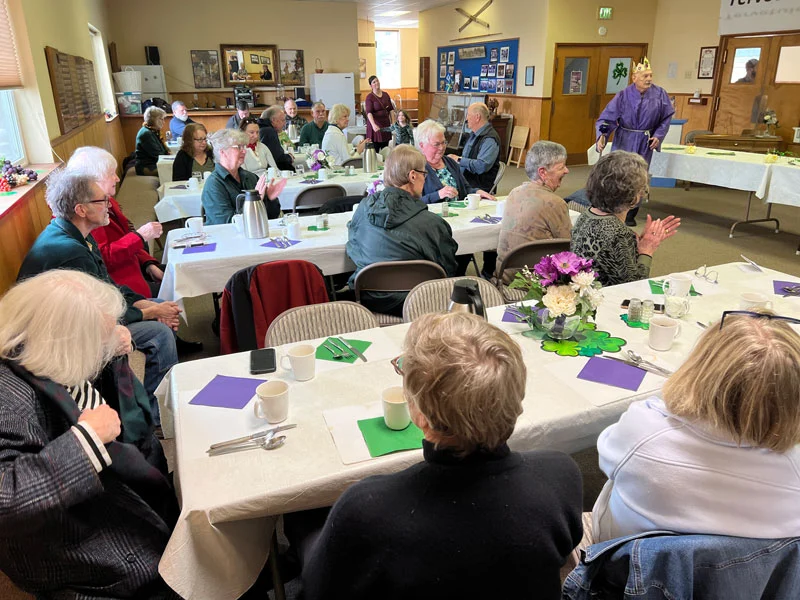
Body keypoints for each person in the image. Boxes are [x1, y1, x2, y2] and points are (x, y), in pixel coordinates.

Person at [301, 312, 584, 599]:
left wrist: (310, 533)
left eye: (403, 371)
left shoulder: (366, 509)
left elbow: (318, 590)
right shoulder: (560, 474)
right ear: (517, 395)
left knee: (303, 521)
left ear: (420, 415)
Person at [0, 270, 178, 599]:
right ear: (65, 341)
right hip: (85, 553)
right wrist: (87, 441)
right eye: (94, 342)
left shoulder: (37, 349)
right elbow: (6, 502)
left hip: (115, 499)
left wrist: (112, 344)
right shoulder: (8, 393)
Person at [592, 310, 800, 542]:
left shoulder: (645, 432)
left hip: (623, 569)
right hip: (738, 577)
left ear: (700, 370)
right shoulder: (794, 471)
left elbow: (607, 455)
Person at [17, 170, 182, 428]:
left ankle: (155, 409)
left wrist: (148, 304)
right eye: (102, 201)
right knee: (159, 333)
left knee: (159, 312)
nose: (109, 206)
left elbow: (109, 288)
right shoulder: (70, 251)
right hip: (60, 336)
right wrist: (150, 313)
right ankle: (154, 416)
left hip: (81, 319)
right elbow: (99, 314)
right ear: (81, 209)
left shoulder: (77, 235)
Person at [346, 145, 459, 316]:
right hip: (422, 303)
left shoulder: (362, 209)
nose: (425, 180)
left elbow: (353, 248)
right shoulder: (433, 224)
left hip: (370, 301)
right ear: (413, 176)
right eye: (424, 175)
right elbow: (448, 271)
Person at [67, 146, 165, 299]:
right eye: (111, 174)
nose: (117, 178)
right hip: (118, 288)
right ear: (93, 179)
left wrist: (148, 264)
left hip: (134, 270)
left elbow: (125, 237)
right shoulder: (88, 213)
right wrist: (140, 236)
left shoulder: (107, 201)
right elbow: (103, 257)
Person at [571, 151, 680, 286]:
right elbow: (634, 284)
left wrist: (635, 244)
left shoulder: (587, 214)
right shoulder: (618, 233)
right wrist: (646, 250)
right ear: (633, 196)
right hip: (604, 300)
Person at [595, 57, 674, 226]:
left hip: (644, 141)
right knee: (619, 173)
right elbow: (607, 119)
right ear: (634, 78)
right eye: (645, 76)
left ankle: (631, 212)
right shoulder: (623, 96)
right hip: (625, 139)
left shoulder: (660, 94)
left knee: (639, 175)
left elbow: (666, 117)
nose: (649, 79)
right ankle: (614, 207)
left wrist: (658, 135)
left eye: (650, 75)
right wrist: (602, 136)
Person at [496, 141, 573, 283]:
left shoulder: (514, 192)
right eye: (561, 167)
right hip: (535, 281)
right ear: (542, 172)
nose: (567, 171)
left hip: (505, 276)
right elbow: (569, 250)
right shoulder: (555, 203)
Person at [202, 129, 286, 225]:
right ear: (223, 152)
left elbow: (271, 216)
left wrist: (270, 199)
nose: (244, 151)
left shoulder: (250, 177)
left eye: (244, 147)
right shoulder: (213, 185)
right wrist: (254, 202)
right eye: (238, 147)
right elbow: (226, 223)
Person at [417, 119, 494, 206]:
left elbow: (465, 189)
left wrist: (477, 192)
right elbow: (412, 204)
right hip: (433, 217)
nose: (442, 147)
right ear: (422, 145)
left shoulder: (450, 162)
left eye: (443, 142)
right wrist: (438, 195)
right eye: (436, 144)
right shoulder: (416, 168)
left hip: (458, 213)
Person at [447, 102, 501, 193]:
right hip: (465, 180)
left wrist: (459, 160)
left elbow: (481, 166)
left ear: (477, 117)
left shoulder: (490, 139)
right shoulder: (474, 134)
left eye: (468, 115)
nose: (466, 118)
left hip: (477, 186)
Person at [257, 106, 295, 171]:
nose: (284, 123)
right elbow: (277, 159)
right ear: (273, 120)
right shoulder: (269, 132)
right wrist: (289, 157)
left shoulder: (261, 129)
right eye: (282, 120)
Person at [135, 106, 168, 176]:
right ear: (153, 120)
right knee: (174, 171)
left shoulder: (153, 130)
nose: (164, 122)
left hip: (153, 163)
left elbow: (162, 151)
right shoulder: (146, 134)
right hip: (147, 167)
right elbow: (159, 155)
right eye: (161, 119)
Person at [365, 75, 395, 152]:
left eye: (377, 81)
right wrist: (373, 125)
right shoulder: (369, 97)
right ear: (371, 85)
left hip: (385, 124)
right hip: (375, 125)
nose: (376, 83)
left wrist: (393, 122)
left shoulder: (385, 95)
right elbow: (369, 112)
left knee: (385, 148)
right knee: (375, 149)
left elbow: (391, 109)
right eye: (374, 82)